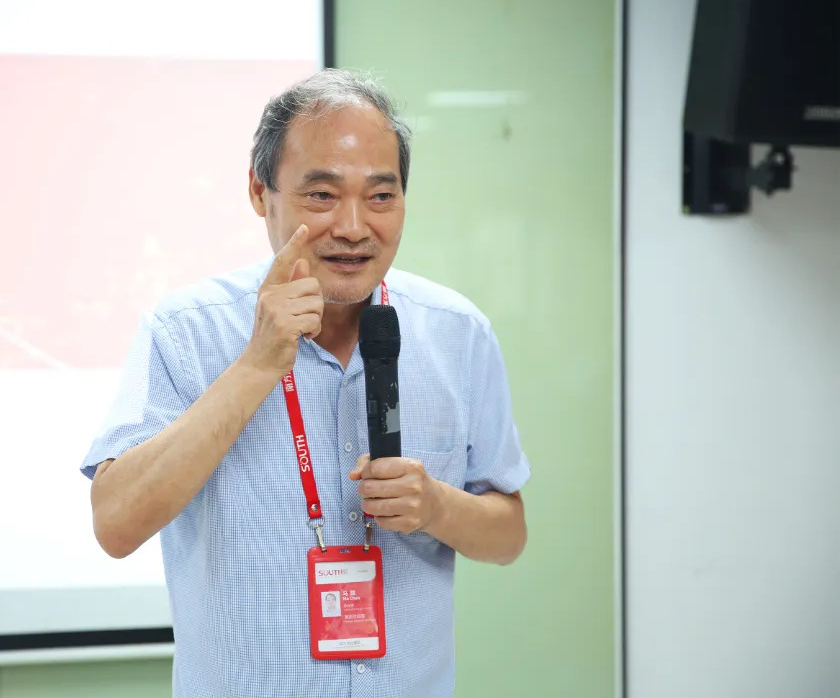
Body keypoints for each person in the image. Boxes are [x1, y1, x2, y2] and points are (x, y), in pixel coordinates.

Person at [81, 68, 530, 698]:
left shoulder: (457, 332)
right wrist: (257, 364)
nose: (353, 226)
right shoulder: (185, 330)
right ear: (259, 192)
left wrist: (436, 507)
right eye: (321, 195)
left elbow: (509, 534)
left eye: (381, 195)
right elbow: (116, 524)